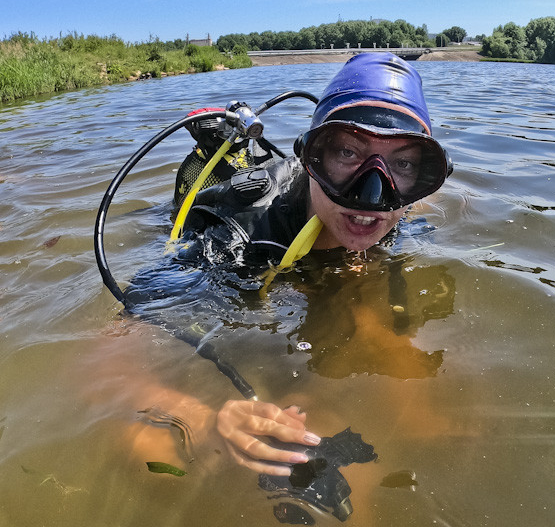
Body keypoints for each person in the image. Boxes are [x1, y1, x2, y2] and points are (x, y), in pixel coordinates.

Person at [125, 52, 452, 478]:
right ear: (311, 158)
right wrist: (202, 420)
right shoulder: (236, 239)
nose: (372, 196)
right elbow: (109, 358)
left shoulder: (399, 211)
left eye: (404, 163)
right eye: (347, 153)